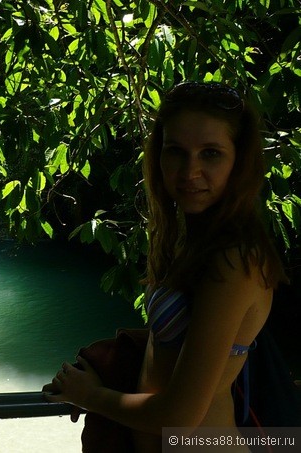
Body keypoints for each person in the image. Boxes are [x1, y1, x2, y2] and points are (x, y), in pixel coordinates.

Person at [43, 81, 289, 452]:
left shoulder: (233, 259)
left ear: (239, 161)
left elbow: (181, 415)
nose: (189, 172)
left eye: (210, 154)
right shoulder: (189, 235)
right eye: (176, 152)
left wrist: (91, 395)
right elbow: (183, 349)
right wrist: (107, 362)